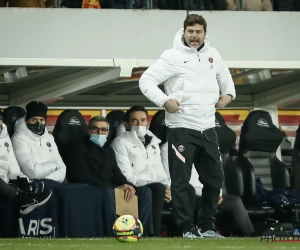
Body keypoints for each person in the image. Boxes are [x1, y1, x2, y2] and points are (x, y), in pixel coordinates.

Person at [139, 14, 236, 238]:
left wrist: (229, 94)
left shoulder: (213, 55)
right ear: (184, 32)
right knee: (181, 182)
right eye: (190, 31)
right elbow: (145, 80)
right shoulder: (171, 56)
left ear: (205, 33)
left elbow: (226, 77)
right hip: (181, 128)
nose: (194, 36)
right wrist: (164, 100)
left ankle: (207, 226)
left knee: (215, 180)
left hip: (208, 128)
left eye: (198, 32)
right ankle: (185, 229)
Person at [67, 115, 153, 236]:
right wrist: (115, 188)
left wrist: (127, 185)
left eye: (103, 130)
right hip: (88, 189)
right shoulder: (78, 148)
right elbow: (83, 176)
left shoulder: (108, 149)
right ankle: (112, 233)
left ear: (108, 132)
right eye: (95, 129)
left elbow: (116, 172)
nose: (99, 133)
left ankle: (143, 233)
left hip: (108, 188)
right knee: (108, 191)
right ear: (88, 131)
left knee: (145, 191)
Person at [111, 106, 171, 237]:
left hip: (155, 186)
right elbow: (125, 175)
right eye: (135, 121)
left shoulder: (154, 142)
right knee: (154, 189)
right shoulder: (120, 142)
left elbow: (159, 170)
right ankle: (152, 234)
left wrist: (167, 187)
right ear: (127, 124)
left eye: (143, 120)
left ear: (147, 122)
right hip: (131, 186)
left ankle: (187, 232)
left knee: (181, 190)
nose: (140, 124)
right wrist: (158, 185)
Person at [0, 112, 52, 214]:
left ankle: (27, 199)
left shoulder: (4, 136)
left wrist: (19, 177)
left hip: (4, 183)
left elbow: (11, 163)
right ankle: (23, 199)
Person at [11, 101, 66, 183]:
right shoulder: (18, 138)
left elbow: (62, 168)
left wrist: (46, 181)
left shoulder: (49, 138)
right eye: (34, 120)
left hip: (53, 184)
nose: (38, 123)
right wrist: (54, 165)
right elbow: (32, 171)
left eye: (42, 120)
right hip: (31, 187)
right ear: (27, 121)